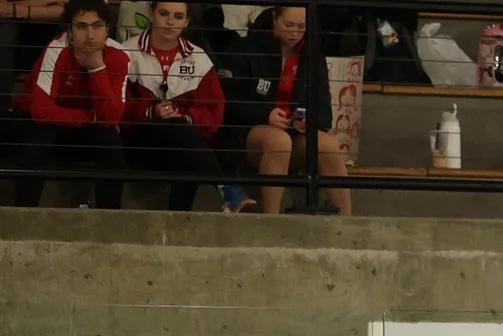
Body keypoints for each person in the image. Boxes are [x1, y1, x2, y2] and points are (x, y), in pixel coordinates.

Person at [121, 0, 250, 211]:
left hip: (184, 142)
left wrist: (186, 117)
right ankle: (226, 188)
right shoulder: (126, 52)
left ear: (187, 21)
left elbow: (214, 113)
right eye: (164, 14)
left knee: (185, 143)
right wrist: (151, 112)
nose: (170, 22)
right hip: (139, 140)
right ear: (152, 14)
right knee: (184, 138)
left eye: (178, 16)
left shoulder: (199, 58)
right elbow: (116, 106)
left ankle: (180, 217)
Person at [223, 4, 350, 214]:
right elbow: (229, 102)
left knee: (327, 145)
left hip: (294, 133)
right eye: (288, 25)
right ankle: (272, 220)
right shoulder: (245, 49)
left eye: (301, 27)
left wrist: (308, 121)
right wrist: (266, 114)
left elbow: (324, 113)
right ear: (274, 19)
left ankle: (347, 220)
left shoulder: (312, 55)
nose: (294, 33)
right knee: (279, 141)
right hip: (251, 131)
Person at [11, 0, 129, 209]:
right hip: (42, 124)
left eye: (97, 26)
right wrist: (92, 117)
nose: (90, 35)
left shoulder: (119, 55)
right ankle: (23, 214)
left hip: (81, 130)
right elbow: (41, 111)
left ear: (107, 30)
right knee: (41, 136)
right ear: (70, 31)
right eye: (82, 26)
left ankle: (111, 217)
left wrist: (97, 69)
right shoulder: (57, 49)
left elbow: (111, 117)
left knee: (110, 140)